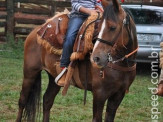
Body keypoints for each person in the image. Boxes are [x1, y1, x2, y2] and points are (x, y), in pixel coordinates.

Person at [55, 0, 103, 86]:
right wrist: (89, 11)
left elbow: (98, 3)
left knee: (105, 35)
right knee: (70, 37)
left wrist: (100, 9)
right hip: (78, 16)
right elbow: (75, 4)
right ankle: (64, 67)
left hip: (95, 16)